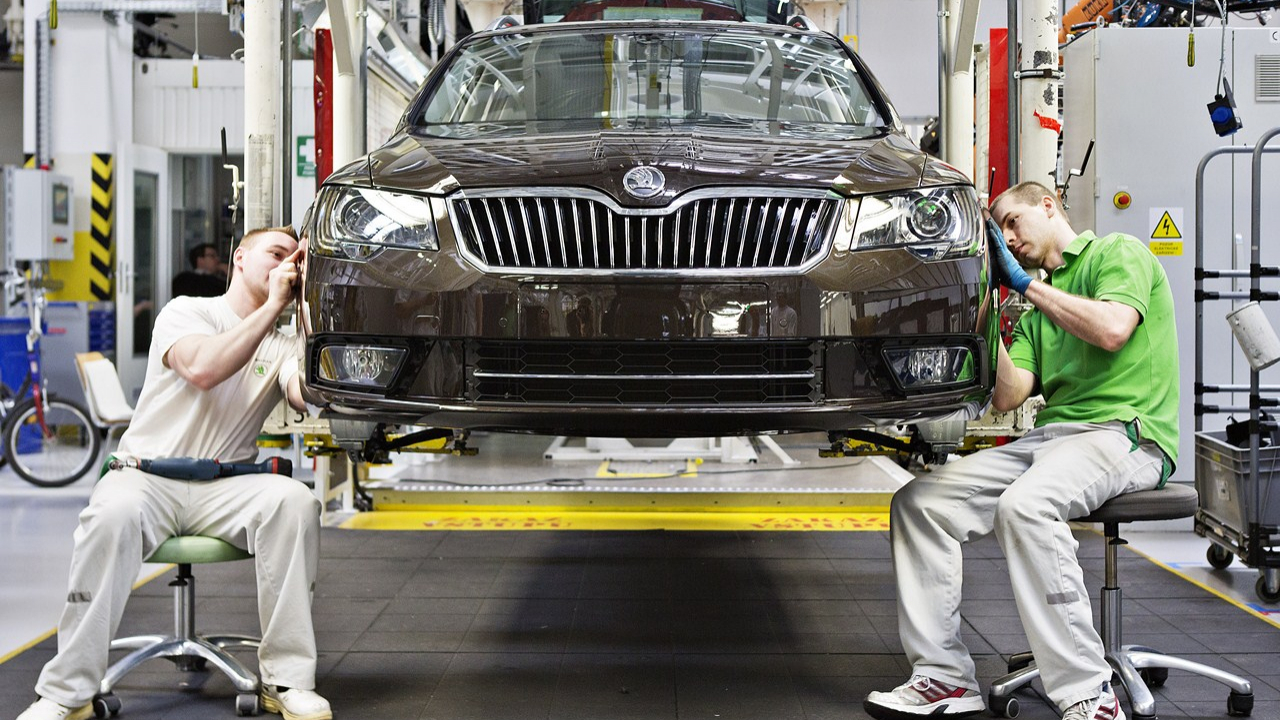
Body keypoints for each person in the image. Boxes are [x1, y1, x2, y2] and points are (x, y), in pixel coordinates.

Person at [863, 181, 1178, 720]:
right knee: (919, 505)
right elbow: (1010, 395)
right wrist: (982, 305)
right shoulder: (1035, 314)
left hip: (1126, 433)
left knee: (1025, 506)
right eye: (999, 233)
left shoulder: (1116, 253)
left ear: (1048, 206)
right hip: (1052, 439)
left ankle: (1089, 694)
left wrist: (1026, 286)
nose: (1008, 238)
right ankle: (943, 677)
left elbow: (1112, 329)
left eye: (1012, 222)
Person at [17, 227, 332, 720]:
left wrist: (313, 314)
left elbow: (303, 395)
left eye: (297, 261)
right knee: (110, 514)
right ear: (240, 257)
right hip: (147, 477)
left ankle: (286, 679)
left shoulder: (285, 344)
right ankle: (67, 692)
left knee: (294, 502)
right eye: (276, 253)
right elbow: (203, 369)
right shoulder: (187, 311)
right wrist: (273, 305)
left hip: (226, 485)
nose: (286, 266)